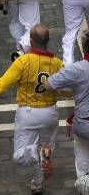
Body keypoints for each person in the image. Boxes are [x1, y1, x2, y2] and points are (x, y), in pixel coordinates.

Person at [0, 25, 63, 195]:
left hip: (28, 114)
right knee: (46, 148)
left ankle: (38, 152)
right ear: (47, 42)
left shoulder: (23, 61)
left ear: (31, 41)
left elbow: (1, 85)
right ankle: (38, 185)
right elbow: (67, 90)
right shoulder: (57, 63)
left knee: (20, 156)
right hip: (50, 114)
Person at [44, 32, 89, 182]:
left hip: (84, 123)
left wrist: (67, 91)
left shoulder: (77, 69)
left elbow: (48, 84)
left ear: (84, 48)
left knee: (83, 161)